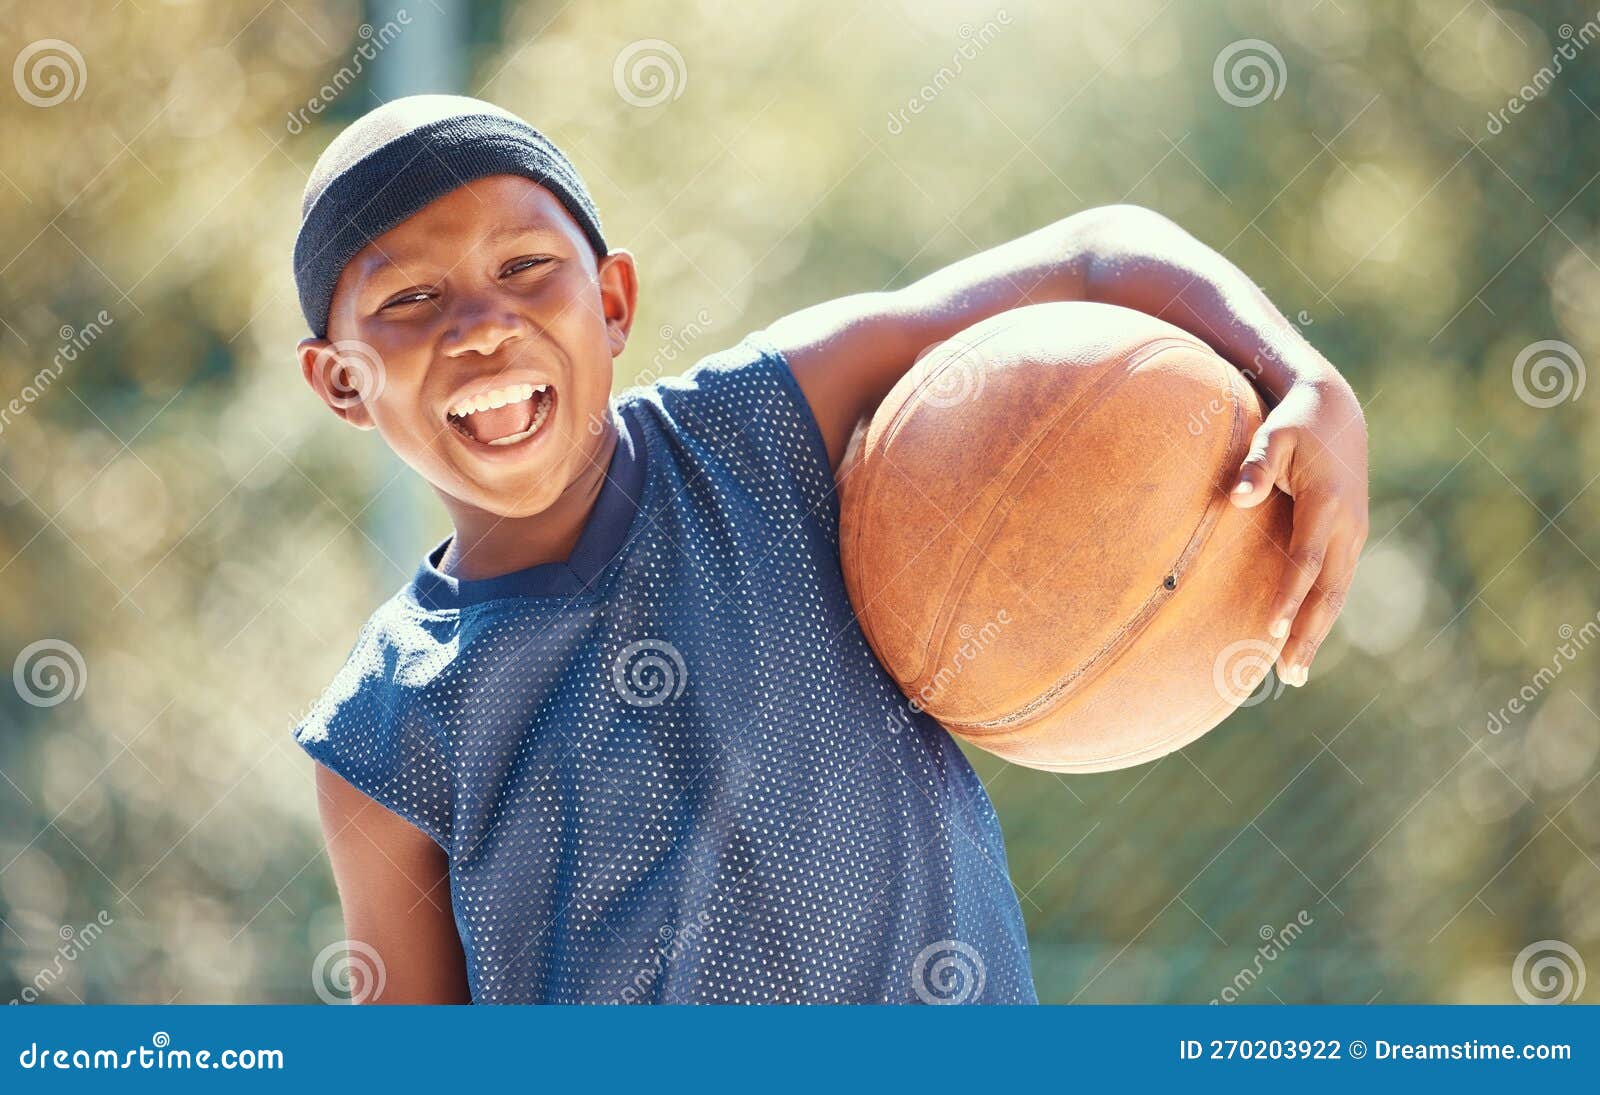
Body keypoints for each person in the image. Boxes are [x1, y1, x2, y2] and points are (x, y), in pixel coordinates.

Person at [290, 94, 1368, 1004]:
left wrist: (1308, 383)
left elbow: (1095, 255)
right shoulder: (386, 736)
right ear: (340, 380)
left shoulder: (762, 432)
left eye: (526, 266)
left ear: (611, 302)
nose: (482, 325)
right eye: (410, 299)